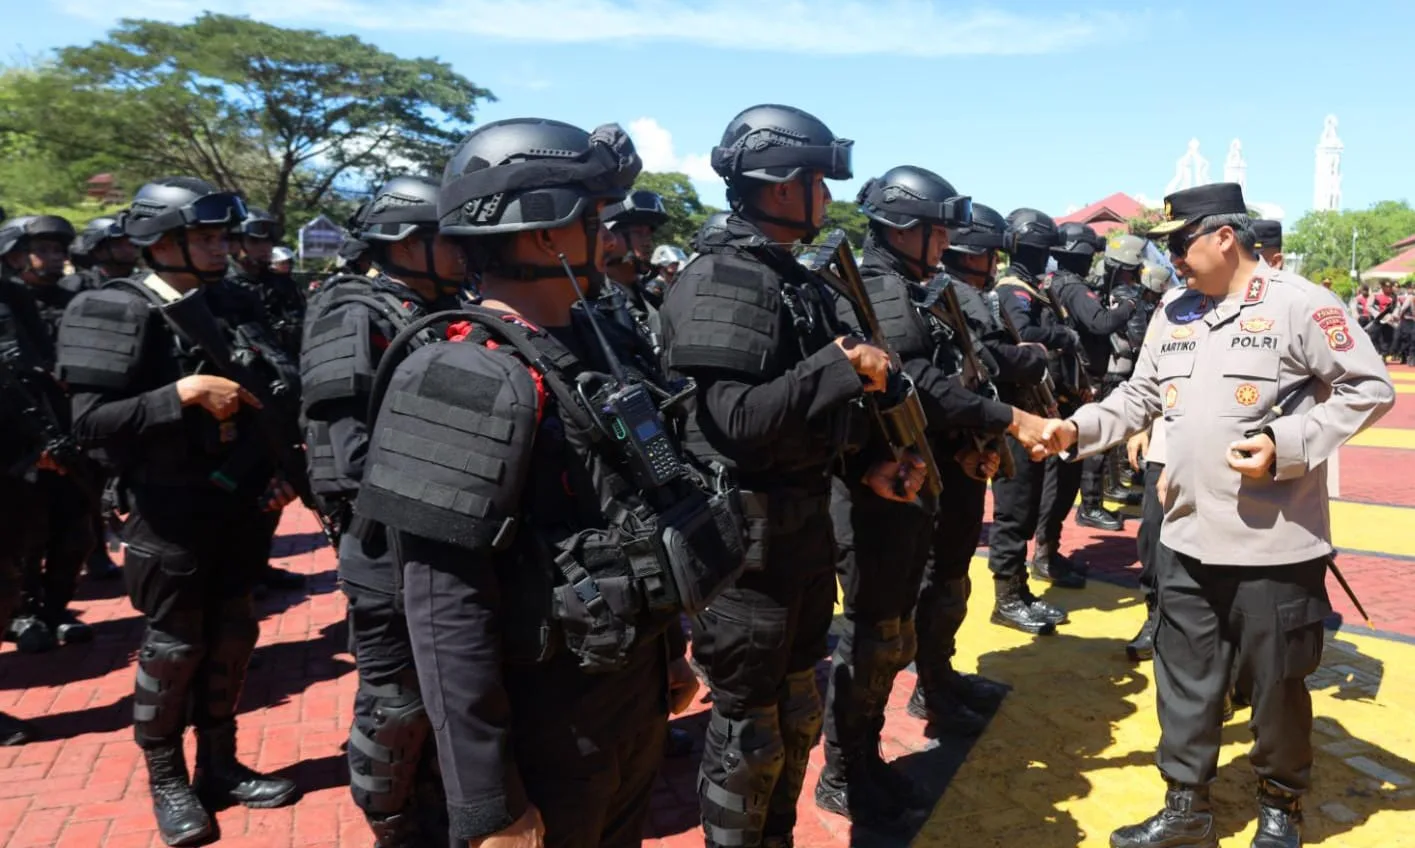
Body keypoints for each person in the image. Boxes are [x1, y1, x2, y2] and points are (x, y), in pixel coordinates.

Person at [355, 117, 739, 848]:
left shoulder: (587, 344)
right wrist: (486, 803)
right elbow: (444, 608)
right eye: (596, 220)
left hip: (619, 690)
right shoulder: (461, 374)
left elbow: (632, 517)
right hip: (543, 722)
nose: (615, 239)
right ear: (544, 235)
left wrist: (667, 654)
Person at [1042, 182, 1396, 848]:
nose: (1169, 258)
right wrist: (1073, 430)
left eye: (1179, 243)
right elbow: (1137, 397)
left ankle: (1278, 805)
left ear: (1222, 237)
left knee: (1275, 686)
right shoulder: (1173, 311)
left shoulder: (1300, 306)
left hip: (1273, 543)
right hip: (1182, 532)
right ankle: (1186, 807)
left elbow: (1368, 389)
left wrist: (1285, 446)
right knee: (1183, 679)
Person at [659, 104, 923, 848]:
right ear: (780, 187)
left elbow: (799, 419)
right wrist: (839, 366)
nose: (827, 199)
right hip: (744, 548)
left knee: (795, 713)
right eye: (817, 182)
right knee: (748, 732)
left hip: (798, 530)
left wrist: (867, 466)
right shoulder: (728, 277)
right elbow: (735, 421)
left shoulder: (782, 277)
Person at [56, 177, 300, 846]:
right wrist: (181, 393)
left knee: (233, 636)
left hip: (239, 503)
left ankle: (219, 766)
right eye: (208, 236)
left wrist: (281, 472)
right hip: (167, 510)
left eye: (224, 235)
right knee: (175, 648)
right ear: (162, 243)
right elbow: (89, 424)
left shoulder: (231, 301)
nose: (223, 247)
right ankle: (169, 780)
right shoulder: (114, 307)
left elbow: (273, 391)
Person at [819, 171, 1050, 831]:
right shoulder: (881, 289)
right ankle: (846, 769)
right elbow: (913, 380)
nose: (948, 243)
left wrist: (962, 445)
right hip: (873, 487)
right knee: (871, 636)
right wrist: (1005, 417)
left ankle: (923, 696)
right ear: (900, 229)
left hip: (916, 471)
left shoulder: (913, 288)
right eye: (937, 229)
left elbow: (944, 377)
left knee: (908, 615)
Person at [299, 175, 467, 847]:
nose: (461, 250)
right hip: (386, 547)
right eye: (445, 238)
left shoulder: (435, 303)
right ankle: (395, 829)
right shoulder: (352, 311)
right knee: (395, 706)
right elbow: (351, 459)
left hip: (447, 538)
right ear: (403, 244)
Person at [915, 201, 1051, 722]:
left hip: (967, 446)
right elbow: (987, 361)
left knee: (950, 578)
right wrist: (1033, 356)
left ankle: (940, 677)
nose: (996, 262)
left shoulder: (958, 293)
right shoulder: (957, 295)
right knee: (936, 580)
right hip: (947, 451)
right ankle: (931, 686)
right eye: (990, 252)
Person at [0, 215, 98, 650]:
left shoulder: (29, 298)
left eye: (59, 249)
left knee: (73, 530)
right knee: (22, 538)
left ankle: (54, 609)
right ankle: (22, 615)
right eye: (41, 248)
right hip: (15, 448)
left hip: (56, 429)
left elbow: (42, 369)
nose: (50, 257)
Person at [987, 209, 1076, 633]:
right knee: (1014, 508)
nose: (1047, 260)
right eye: (1043, 252)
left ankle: (1018, 589)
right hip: (1015, 413)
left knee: (1026, 507)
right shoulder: (1012, 290)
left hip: (1037, 409)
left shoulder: (1028, 287)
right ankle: (1006, 597)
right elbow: (1026, 335)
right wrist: (1063, 336)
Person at [1033, 223, 1138, 577]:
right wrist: (1127, 305)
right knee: (1061, 480)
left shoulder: (1053, 282)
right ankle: (1045, 556)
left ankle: (1048, 551)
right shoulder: (1071, 286)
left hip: (1067, 386)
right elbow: (1100, 323)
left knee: (1061, 477)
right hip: (1072, 389)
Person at [64, 215, 140, 293]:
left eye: (131, 243)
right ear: (97, 250)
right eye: (118, 244)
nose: (129, 249)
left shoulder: (146, 282)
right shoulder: (78, 285)